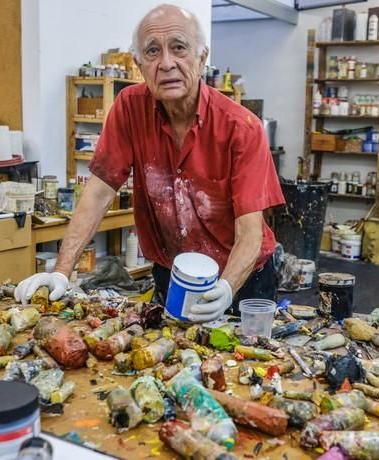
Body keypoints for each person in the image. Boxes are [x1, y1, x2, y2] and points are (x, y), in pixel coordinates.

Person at [15, 4, 284, 323]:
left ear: (201, 57)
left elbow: (250, 232)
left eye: (179, 48)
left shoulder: (242, 128)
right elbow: (98, 193)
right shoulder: (129, 109)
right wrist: (61, 272)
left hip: (243, 277)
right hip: (172, 273)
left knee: (243, 367)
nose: (166, 63)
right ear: (138, 64)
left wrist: (227, 288)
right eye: (153, 51)